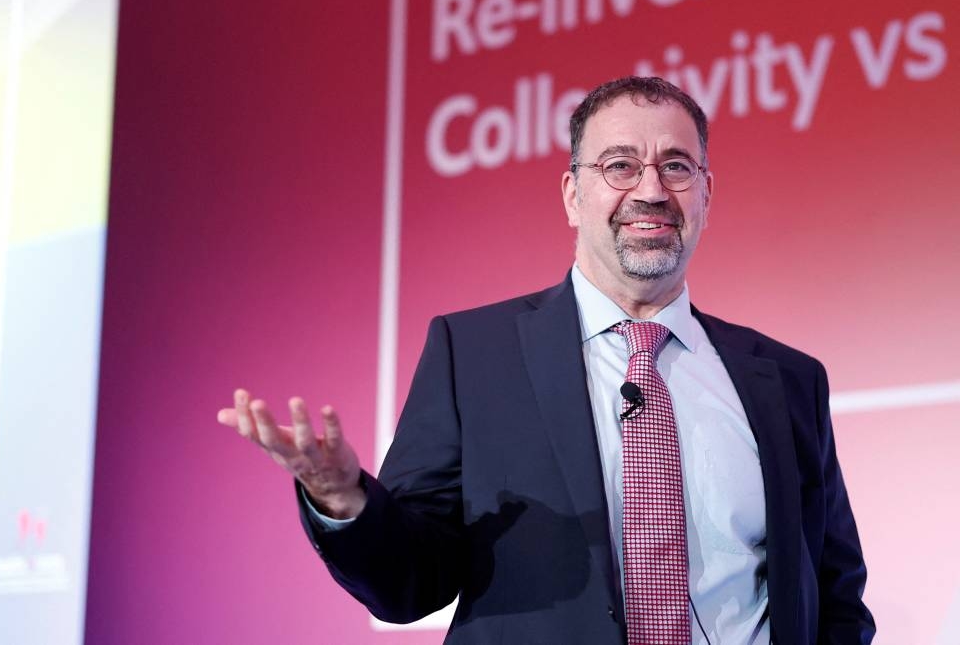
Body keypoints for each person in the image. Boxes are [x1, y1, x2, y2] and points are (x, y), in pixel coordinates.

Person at [217, 76, 875, 644]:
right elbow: (410, 585)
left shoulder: (787, 379)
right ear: (571, 195)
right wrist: (344, 500)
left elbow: (835, 592)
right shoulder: (473, 355)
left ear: (706, 193)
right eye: (619, 166)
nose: (651, 189)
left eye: (676, 166)